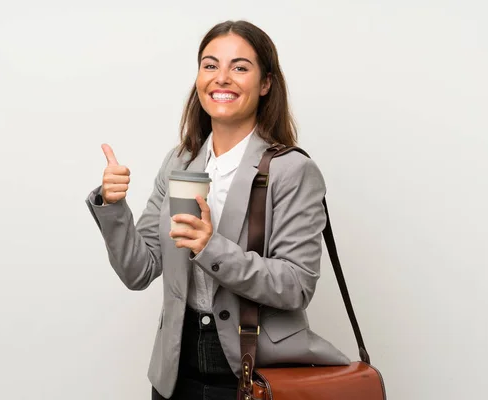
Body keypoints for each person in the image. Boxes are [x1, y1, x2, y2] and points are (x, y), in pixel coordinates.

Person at [85, 20, 350, 400]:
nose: (221, 78)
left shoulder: (292, 170)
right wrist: (113, 207)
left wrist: (211, 247)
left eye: (239, 67)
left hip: (252, 374)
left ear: (265, 84)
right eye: (210, 65)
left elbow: (296, 285)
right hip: (176, 373)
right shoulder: (179, 162)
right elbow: (138, 270)